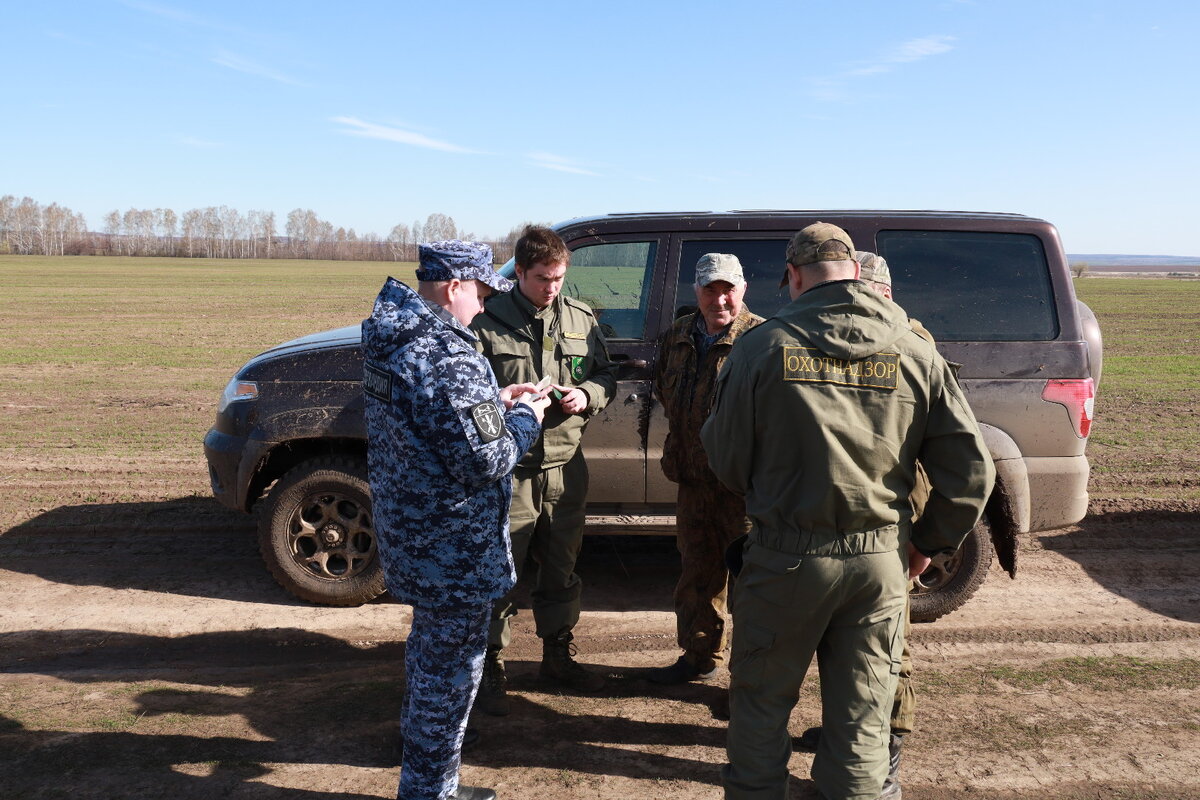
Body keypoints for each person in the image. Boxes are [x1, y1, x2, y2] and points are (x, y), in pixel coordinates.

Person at [701, 223, 994, 800]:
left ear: (792, 277)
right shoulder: (914, 351)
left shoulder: (759, 347)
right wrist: (924, 545)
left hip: (785, 558)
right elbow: (972, 470)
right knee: (863, 720)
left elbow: (728, 463)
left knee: (760, 708)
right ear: (857, 274)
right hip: (880, 562)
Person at [362, 240, 551, 800]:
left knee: (429, 661)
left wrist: (491, 397)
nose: (488, 303)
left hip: (412, 534)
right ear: (453, 287)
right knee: (449, 678)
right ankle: (428, 792)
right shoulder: (446, 354)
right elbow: (485, 459)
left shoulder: (393, 336)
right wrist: (524, 416)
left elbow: (427, 414)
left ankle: (428, 782)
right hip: (453, 548)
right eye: (483, 290)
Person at [792, 251, 934, 797]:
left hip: (895, 523)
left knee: (888, 653)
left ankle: (886, 759)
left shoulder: (911, 345)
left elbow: (950, 457)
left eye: (868, 294)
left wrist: (927, 536)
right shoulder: (856, 341)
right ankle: (851, 736)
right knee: (854, 646)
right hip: (860, 523)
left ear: (886, 294)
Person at [470, 225, 618, 716]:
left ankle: (558, 655)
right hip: (510, 471)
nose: (551, 288)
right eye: (541, 278)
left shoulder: (580, 319)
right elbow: (467, 395)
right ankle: (491, 664)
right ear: (520, 273)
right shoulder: (486, 323)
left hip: (565, 465)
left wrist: (588, 395)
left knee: (562, 565)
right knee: (501, 570)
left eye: (558, 278)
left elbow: (605, 375)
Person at [645, 253, 763, 685]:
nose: (720, 298)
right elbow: (665, 391)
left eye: (728, 288)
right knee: (696, 574)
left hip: (743, 487)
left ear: (743, 289)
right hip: (693, 481)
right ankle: (698, 656)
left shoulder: (763, 339)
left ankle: (748, 679)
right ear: (696, 291)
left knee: (750, 585)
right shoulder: (677, 335)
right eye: (711, 289)